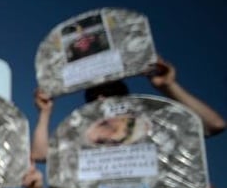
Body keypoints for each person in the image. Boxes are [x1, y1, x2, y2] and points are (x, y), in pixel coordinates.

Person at [31, 57, 225, 163]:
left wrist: (168, 86)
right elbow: (40, 155)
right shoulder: (85, 139)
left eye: (110, 92)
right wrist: (45, 113)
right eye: (92, 98)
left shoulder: (152, 128)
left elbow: (214, 124)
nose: (101, 100)